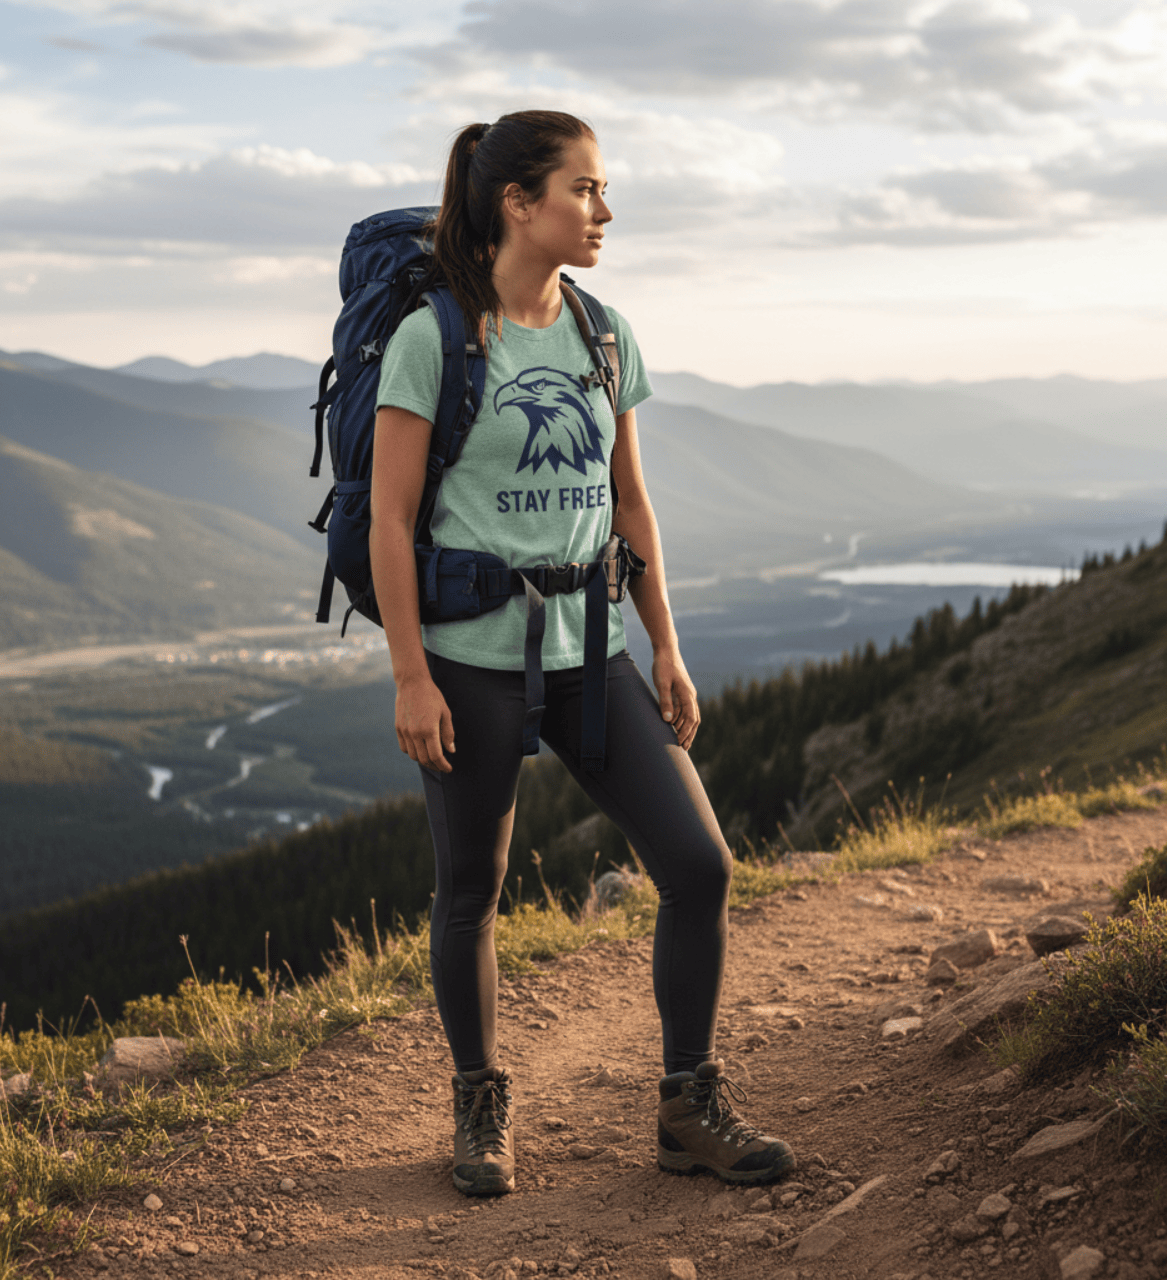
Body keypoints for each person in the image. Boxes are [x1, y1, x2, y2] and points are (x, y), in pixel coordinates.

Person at [370, 109, 794, 1197]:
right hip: (469, 653)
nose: (602, 210)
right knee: (470, 886)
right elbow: (388, 518)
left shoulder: (602, 332)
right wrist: (411, 674)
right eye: (584, 190)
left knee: (698, 865)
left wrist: (666, 643)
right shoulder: (436, 337)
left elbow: (630, 499)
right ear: (518, 204)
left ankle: (685, 1105)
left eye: (600, 192)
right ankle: (478, 1104)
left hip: (591, 643)